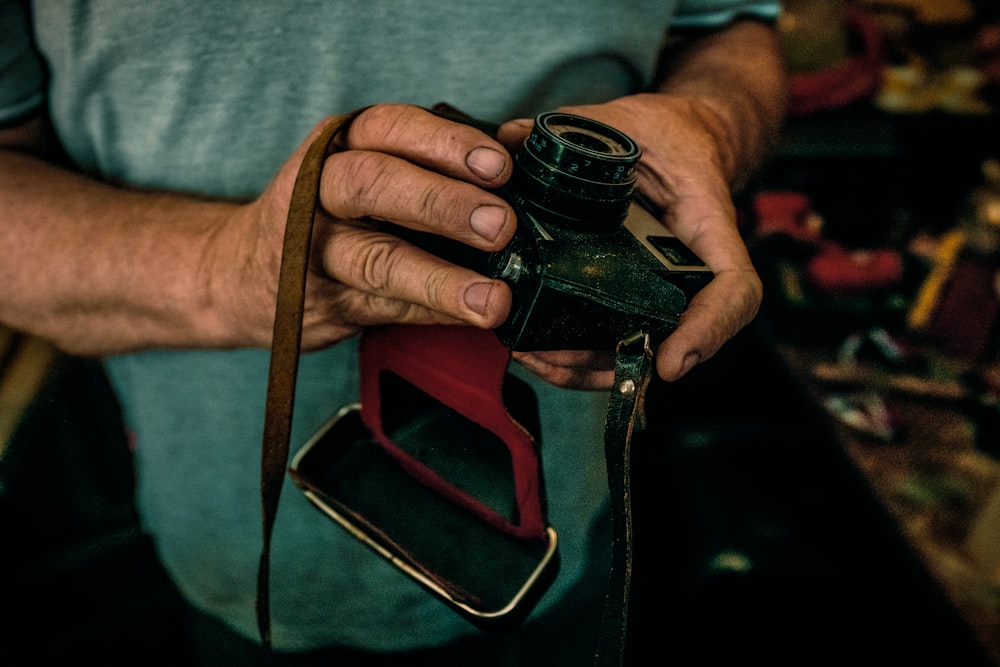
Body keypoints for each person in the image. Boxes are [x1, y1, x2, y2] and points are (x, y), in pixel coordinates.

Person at [0, 1, 786, 665]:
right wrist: (225, 271)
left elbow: (730, 28)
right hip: (238, 557)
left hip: (556, 535)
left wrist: (710, 121)